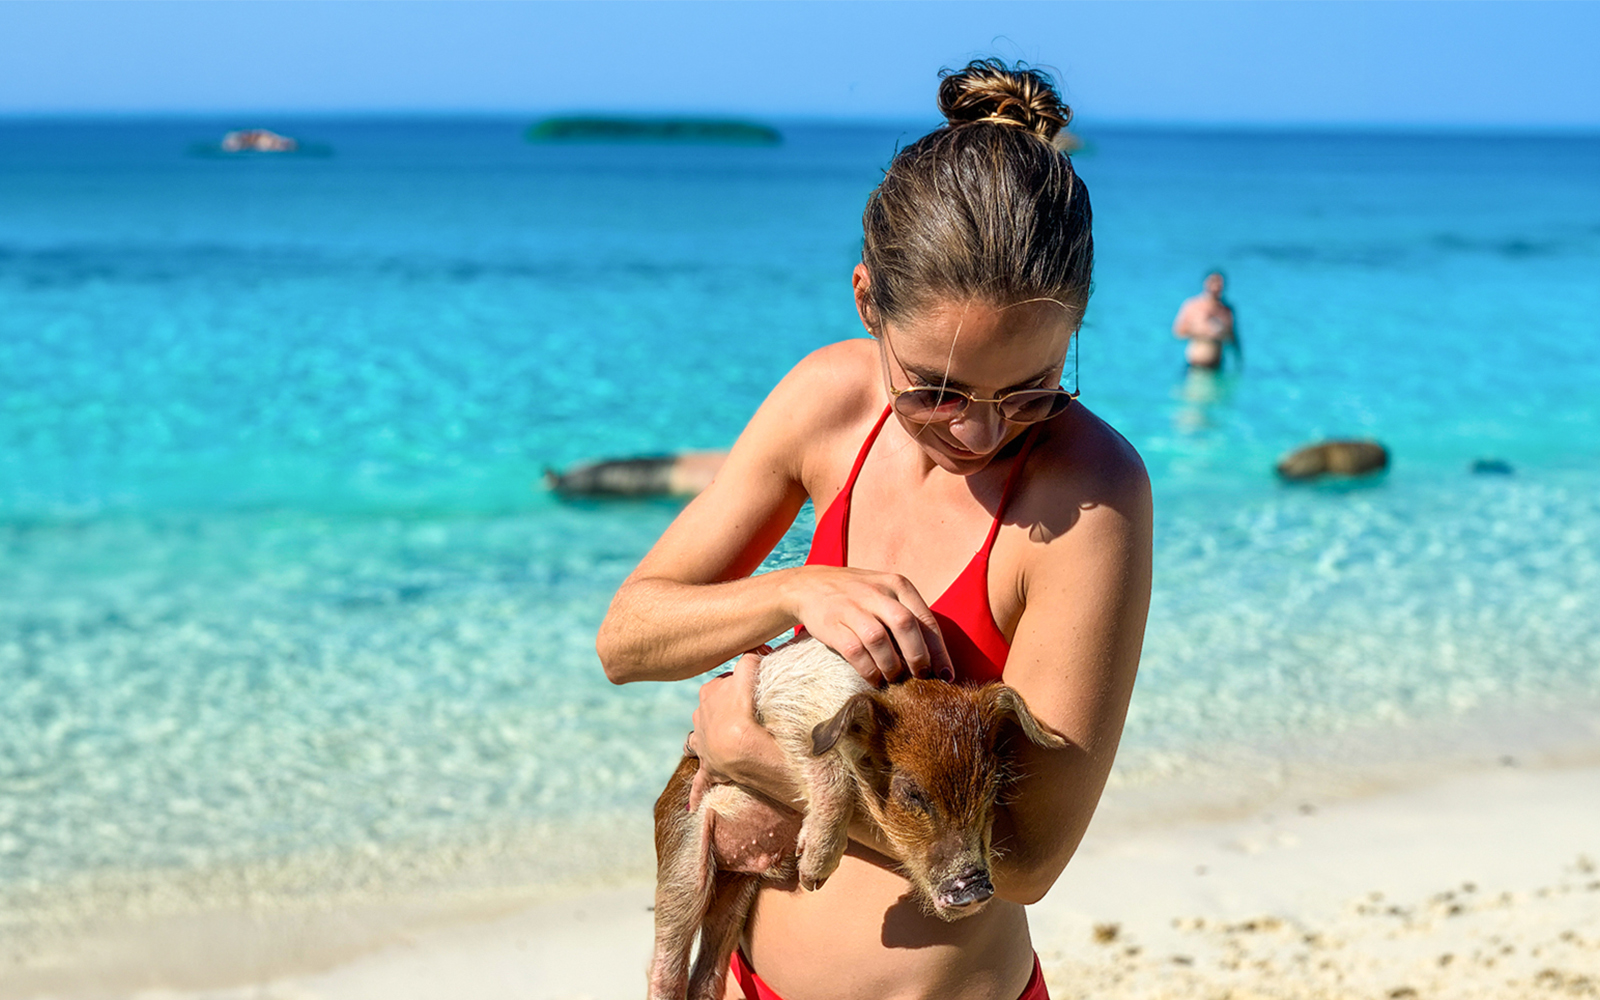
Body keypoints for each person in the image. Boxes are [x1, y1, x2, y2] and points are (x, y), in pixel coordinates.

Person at [598, 58, 1152, 1000]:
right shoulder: (826, 402)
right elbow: (628, 638)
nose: (978, 432)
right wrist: (790, 588)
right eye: (935, 390)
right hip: (744, 978)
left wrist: (755, 760)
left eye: (1031, 389)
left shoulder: (1091, 494)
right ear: (867, 303)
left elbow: (1028, 863)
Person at [1171, 271, 1240, 371]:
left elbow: (1233, 338)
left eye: (1219, 284)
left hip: (1217, 366)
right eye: (1213, 283)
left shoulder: (1226, 311)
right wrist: (1203, 332)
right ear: (1206, 283)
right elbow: (1178, 332)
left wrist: (1238, 362)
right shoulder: (1192, 305)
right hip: (1196, 364)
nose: (1216, 287)